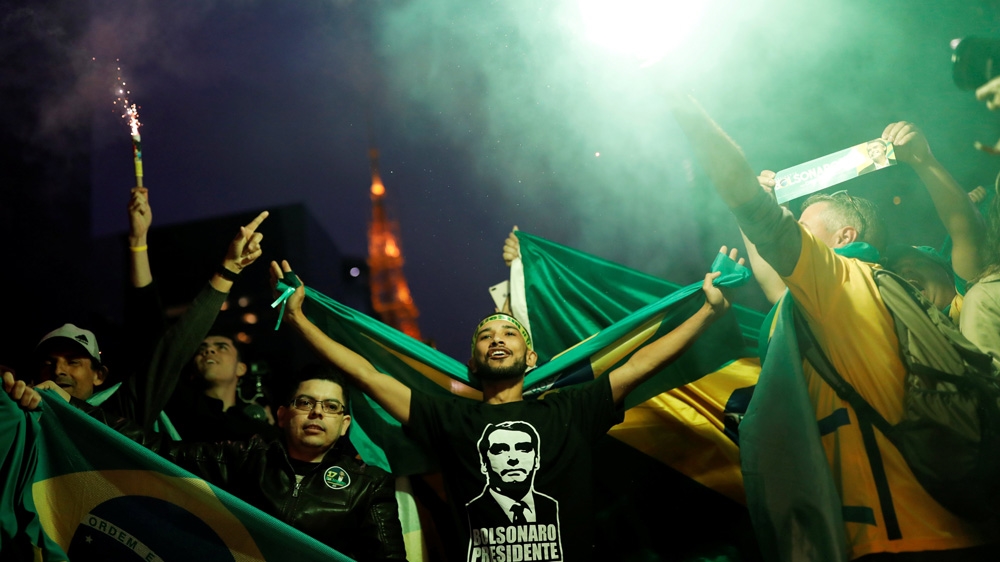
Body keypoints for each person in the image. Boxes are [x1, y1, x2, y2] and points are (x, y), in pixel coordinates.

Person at [672, 94, 991, 560]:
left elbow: (966, 231)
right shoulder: (827, 304)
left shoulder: (842, 282)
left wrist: (678, 101)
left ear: (844, 238)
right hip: (940, 529)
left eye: (801, 225)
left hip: (905, 541)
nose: (791, 230)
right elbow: (772, 279)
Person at [269, 249, 736, 562]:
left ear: (530, 358)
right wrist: (299, 321)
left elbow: (639, 364)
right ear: (472, 362)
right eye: (486, 336)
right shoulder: (449, 418)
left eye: (509, 333)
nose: (497, 339)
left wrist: (707, 312)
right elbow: (368, 375)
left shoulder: (569, 410)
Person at [25, 364, 407, 561]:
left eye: (331, 407)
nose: (316, 412)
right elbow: (156, 451)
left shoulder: (368, 484)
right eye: (305, 402)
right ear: (282, 415)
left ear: (344, 425)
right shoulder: (246, 457)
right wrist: (71, 407)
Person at [123, 185, 273, 439]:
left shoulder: (259, 435)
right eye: (201, 348)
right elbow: (148, 321)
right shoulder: (171, 409)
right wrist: (138, 241)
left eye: (221, 347)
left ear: (241, 368)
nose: (208, 351)